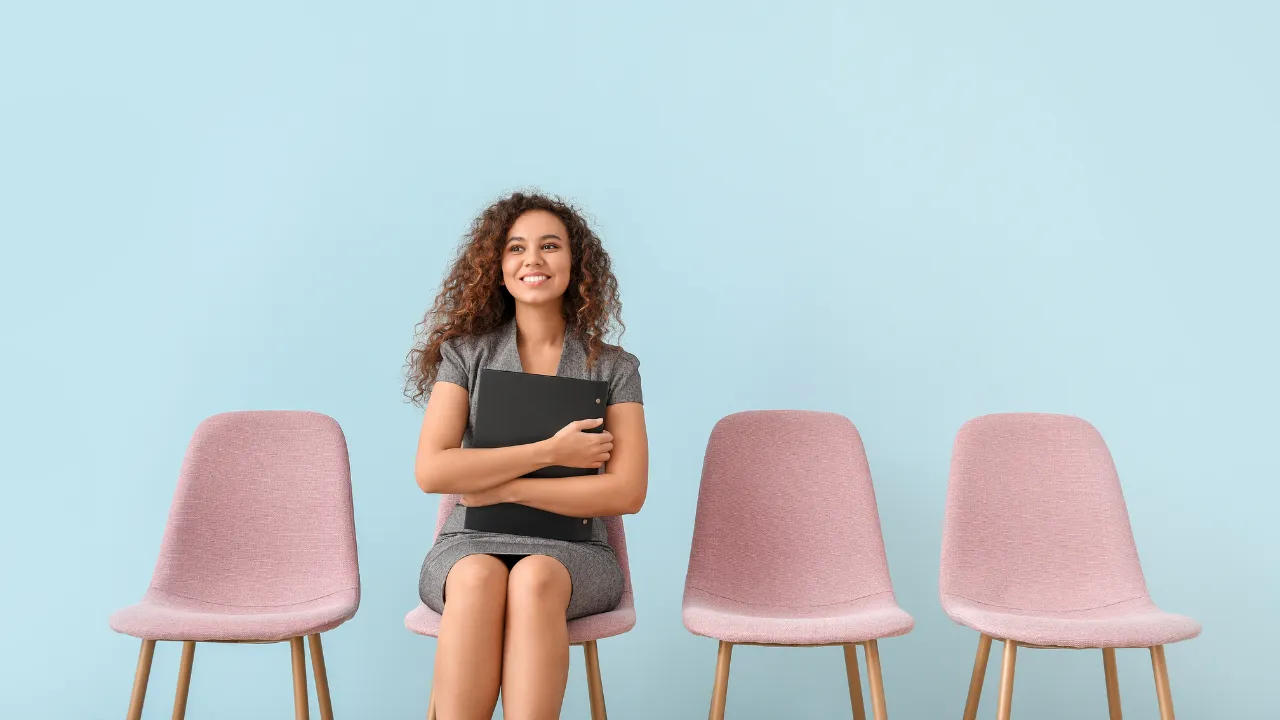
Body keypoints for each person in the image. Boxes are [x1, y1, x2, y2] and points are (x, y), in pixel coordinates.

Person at [404, 191, 649, 720]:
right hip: (470, 540)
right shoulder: (464, 355)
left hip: (577, 553)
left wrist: (503, 485)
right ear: (497, 267)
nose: (532, 260)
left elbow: (626, 491)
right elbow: (433, 470)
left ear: (575, 263)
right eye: (516, 248)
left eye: (549, 246)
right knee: (476, 578)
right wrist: (552, 451)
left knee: (535, 577)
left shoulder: (614, 367)